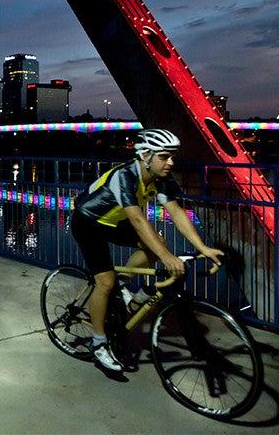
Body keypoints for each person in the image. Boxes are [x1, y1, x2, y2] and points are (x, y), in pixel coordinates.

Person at [71, 129, 223, 372]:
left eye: (172, 156)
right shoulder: (124, 176)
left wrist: (202, 247)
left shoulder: (160, 179)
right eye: (164, 156)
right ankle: (99, 343)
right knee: (105, 282)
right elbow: (138, 221)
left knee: (157, 245)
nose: (171, 162)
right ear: (145, 155)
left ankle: (124, 283)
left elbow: (176, 213)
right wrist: (167, 258)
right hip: (89, 222)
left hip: (114, 222)